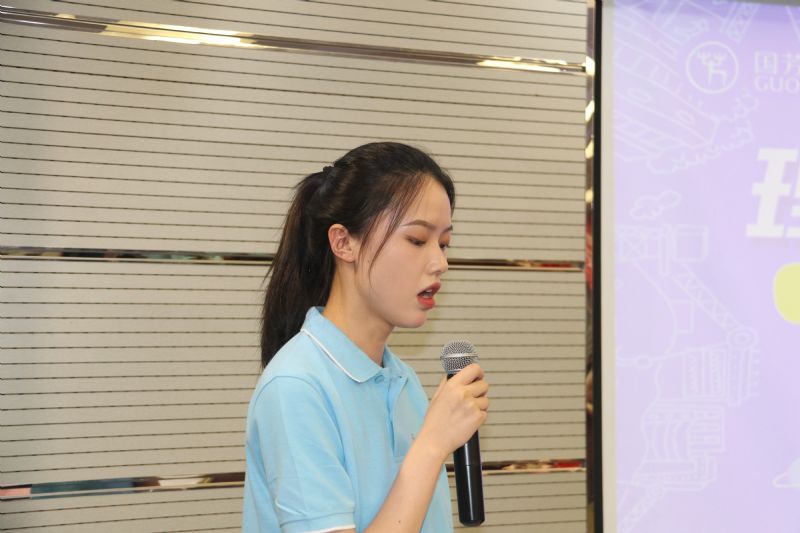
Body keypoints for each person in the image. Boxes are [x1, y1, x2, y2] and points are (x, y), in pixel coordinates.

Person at [242, 142, 490, 532]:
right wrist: (431, 445)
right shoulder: (296, 388)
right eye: (417, 240)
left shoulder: (404, 381)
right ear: (344, 243)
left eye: (444, 244)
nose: (440, 263)